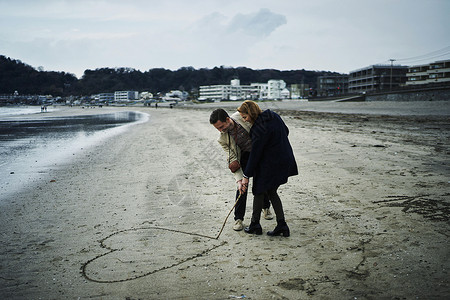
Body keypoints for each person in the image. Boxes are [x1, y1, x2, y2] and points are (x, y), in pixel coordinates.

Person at [238, 100, 298, 237]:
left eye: (245, 117)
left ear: (251, 113)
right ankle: (281, 225)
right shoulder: (273, 115)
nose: (245, 121)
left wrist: (246, 175)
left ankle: (255, 225)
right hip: (285, 158)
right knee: (271, 191)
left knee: (259, 190)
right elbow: (286, 131)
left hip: (271, 163)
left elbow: (255, 154)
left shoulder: (257, 128)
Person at [210, 109, 273, 231]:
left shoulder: (243, 116)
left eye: (221, 126)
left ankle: (265, 207)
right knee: (241, 189)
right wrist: (239, 180)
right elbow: (232, 158)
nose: (220, 130)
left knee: (262, 183)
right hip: (243, 157)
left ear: (228, 119)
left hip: (259, 153)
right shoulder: (222, 139)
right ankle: (238, 219)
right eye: (217, 128)